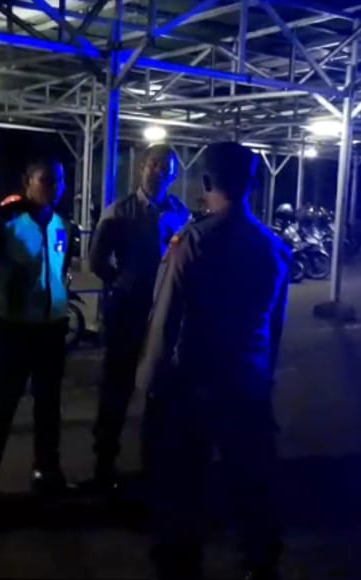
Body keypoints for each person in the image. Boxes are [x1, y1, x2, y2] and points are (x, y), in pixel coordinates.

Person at [137, 142, 291, 580]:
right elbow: (275, 330)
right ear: (253, 184)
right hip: (249, 386)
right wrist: (263, 381)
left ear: (206, 182)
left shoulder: (192, 242)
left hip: (195, 387)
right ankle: (259, 563)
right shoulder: (274, 248)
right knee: (251, 484)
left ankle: (180, 565)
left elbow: (165, 320)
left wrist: (150, 383)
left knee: (184, 487)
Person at [0, 158, 72, 511]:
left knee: (48, 406)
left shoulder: (62, 224)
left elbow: (60, 269)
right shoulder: (4, 221)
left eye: (60, 180)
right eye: (47, 180)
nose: (55, 187)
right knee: (0, 406)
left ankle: (46, 470)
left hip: (51, 327)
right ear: (28, 181)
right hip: (11, 328)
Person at [86, 144, 190, 491]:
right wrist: (122, 284)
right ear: (141, 168)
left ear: (174, 175)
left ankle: (153, 462)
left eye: (166, 167)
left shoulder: (179, 212)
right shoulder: (119, 211)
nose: (159, 171)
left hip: (165, 310)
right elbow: (97, 260)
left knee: (160, 386)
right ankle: (104, 462)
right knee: (116, 386)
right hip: (127, 312)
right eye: (153, 164)